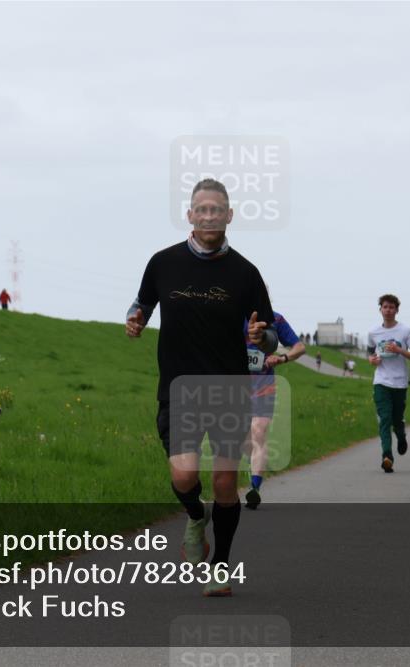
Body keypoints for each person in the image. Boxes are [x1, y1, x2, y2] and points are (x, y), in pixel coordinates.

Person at [125, 178, 276, 597]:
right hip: (178, 389)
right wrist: (135, 319)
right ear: (190, 215)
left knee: (225, 484)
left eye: (217, 209)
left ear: (229, 216)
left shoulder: (246, 273)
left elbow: (270, 337)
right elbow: (141, 305)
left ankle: (220, 567)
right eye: (201, 209)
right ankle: (195, 517)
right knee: (185, 474)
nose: (209, 215)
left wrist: (260, 335)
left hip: (227, 390)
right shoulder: (162, 263)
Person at [244, 311, 305, 510]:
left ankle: (255, 487)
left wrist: (282, 358)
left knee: (259, 431)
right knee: (246, 440)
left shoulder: (275, 319)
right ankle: (252, 465)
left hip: (264, 385)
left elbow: (299, 346)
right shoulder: (231, 313)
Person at [366, 294, 410, 473]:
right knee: (385, 419)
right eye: (385, 307)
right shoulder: (373, 332)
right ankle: (387, 456)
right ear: (380, 309)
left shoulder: (406, 331)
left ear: (397, 310)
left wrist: (399, 350)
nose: (388, 310)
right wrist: (371, 360)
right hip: (381, 381)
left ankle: (402, 436)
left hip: (400, 382)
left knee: (397, 419)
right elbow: (369, 352)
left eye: (391, 307)